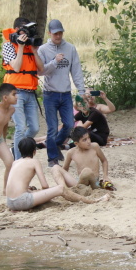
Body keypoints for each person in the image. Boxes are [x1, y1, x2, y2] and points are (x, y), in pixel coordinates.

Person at [38, 19, 90, 167]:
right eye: (55, 33)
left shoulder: (70, 48)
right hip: (50, 94)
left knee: (68, 124)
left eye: (60, 33)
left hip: (66, 93)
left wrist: (81, 91)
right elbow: (41, 71)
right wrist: (54, 61)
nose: (58, 36)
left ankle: (55, 144)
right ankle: (52, 159)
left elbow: (76, 70)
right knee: (52, 127)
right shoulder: (43, 50)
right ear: (49, 33)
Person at [5, 137, 107, 211]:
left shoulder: (15, 162)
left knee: (37, 192)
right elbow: (45, 185)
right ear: (34, 151)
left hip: (9, 202)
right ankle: (93, 201)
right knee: (60, 189)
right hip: (21, 201)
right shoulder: (34, 161)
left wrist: (30, 191)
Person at [2, 17, 45, 160]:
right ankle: (18, 159)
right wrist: (20, 47)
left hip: (30, 92)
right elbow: (16, 67)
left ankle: (17, 148)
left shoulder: (30, 46)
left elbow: (41, 68)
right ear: (17, 30)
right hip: (15, 93)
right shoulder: (8, 46)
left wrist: (33, 50)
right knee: (20, 127)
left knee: (34, 128)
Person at [59, 126, 115, 190]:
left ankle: (79, 188)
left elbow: (104, 161)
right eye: (84, 140)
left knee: (87, 171)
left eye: (88, 138)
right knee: (56, 168)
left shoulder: (95, 147)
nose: (88, 141)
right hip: (81, 181)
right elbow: (64, 170)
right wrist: (63, 183)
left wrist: (105, 176)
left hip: (95, 182)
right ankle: (72, 188)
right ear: (76, 143)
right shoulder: (71, 153)